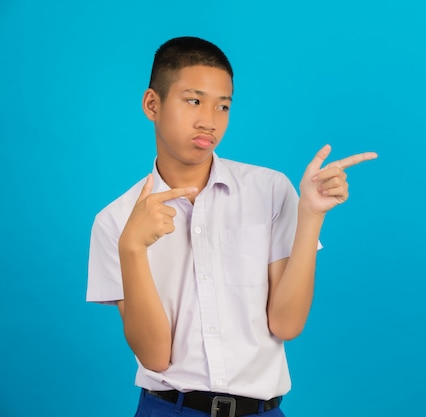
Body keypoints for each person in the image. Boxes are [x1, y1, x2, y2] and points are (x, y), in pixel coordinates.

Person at [86, 36, 377, 417]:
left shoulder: (270, 190)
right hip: (168, 409)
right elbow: (155, 356)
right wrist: (133, 249)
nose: (209, 120)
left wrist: (310, 215)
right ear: (152, 104)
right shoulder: (115, 221)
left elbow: (286, 324)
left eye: (223, 106)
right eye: (194, 101)